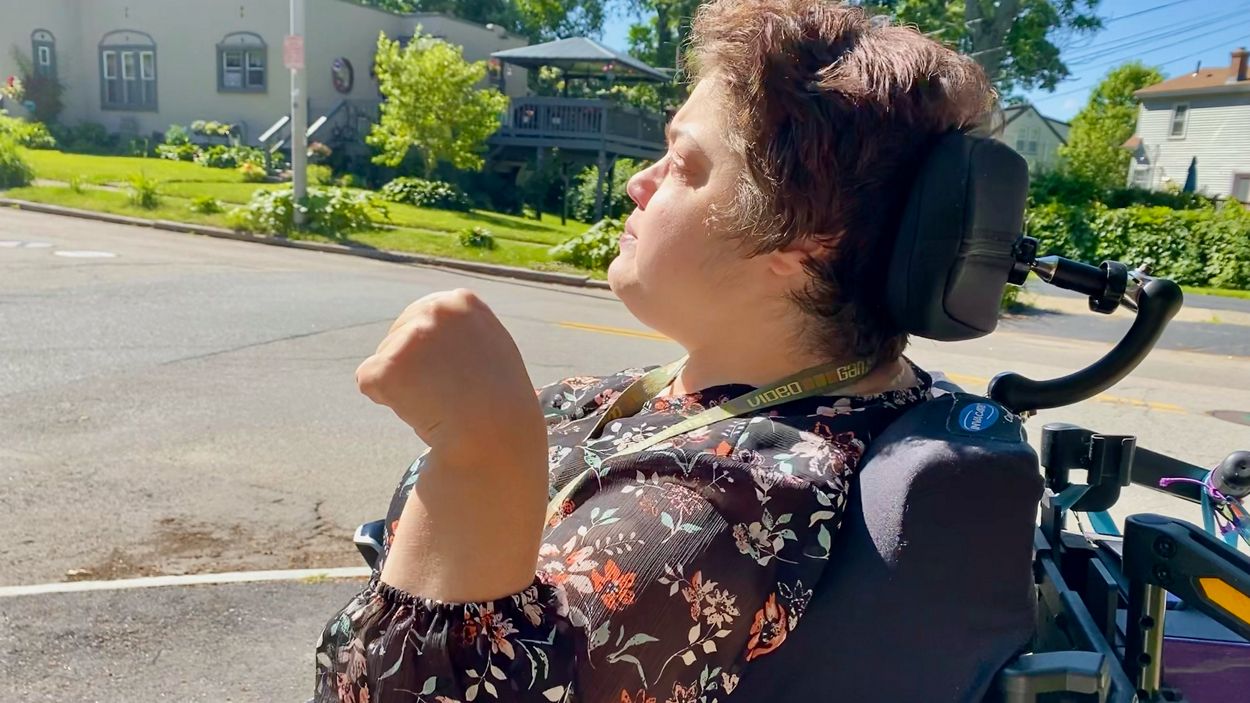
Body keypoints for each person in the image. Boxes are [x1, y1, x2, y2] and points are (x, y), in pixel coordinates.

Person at [315, 1, 994, 700]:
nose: (639, 183)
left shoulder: (719, 512)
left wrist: (480, 454)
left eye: (684, 164)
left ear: (806, 239)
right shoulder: (758, 390)